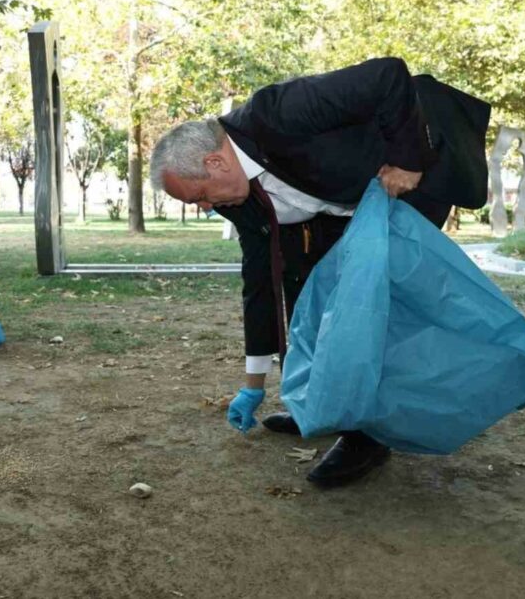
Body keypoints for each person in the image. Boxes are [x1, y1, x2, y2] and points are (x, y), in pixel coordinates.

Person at [150, 57, 491, 487]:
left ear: (216, 164)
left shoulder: (278, 112)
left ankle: (366, 436)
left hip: (418, 161)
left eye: (198, 196)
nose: (203, 208)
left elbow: (388, 76)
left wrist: (408, 159)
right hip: (346, 201)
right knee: (309, 289)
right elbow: (261, 280)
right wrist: (253, 381)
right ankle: (321, 402)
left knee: (372, 303)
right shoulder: (235, 197)